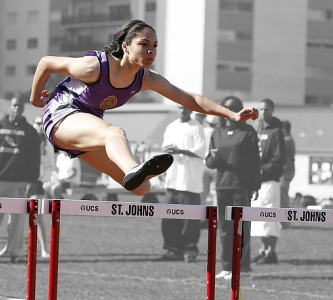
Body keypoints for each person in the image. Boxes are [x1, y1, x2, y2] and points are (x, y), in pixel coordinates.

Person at [29, 19, 258, 197]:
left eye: (155, 46)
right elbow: (46, 63)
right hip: (61, 115)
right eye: (144, 44)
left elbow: (190, 99)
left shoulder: (146, 78)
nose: (151, 51)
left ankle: (135, 173)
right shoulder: (94, 67)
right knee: (115, 134)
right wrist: (35, 99)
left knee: (142, 188)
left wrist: (231, 114)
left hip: (86, 127)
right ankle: (133, 168)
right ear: (126, 46)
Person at [205, 96, 261, 280]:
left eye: (233, 107)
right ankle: (226, 267)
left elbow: (255, 162)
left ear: (240, 110)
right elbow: (210, 161)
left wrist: (254, 186)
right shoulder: (216, 132)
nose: (230, 110)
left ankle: (243, 266)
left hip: (241, 187)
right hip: (222, 186)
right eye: (226, 107)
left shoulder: (248, 132)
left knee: (242, 227)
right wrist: (213, 160)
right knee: (225, 228)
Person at [159, 105, 206, 262]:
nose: (183, 110)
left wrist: (180, 150)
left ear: (191, 110)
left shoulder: (197, 127)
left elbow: (200, 152)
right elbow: (165, 148)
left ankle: (189, 249)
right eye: (180, 107)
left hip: (189, 181)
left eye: (186, 108)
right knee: (168, 215)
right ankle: (172, 249)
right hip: (173, 179)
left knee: (190, 218)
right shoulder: (171, 127)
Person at [0, 98, 41, 262]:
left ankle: (13, 252)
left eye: (20, 106)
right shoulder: (0, 127)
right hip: (0, 180)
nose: (17, 109)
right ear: (10, 107)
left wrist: (32, 180)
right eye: (15, 105)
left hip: (19, 182)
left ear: (23, 109)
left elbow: (34, 159)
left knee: (16, 220)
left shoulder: (31, 132)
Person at [251, 98, 285, 265]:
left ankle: (272, 252)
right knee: (259, 218)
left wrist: (263, 169)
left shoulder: (277, 132)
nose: (263, 112)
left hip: (270, 180)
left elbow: (279, 159)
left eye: (266, 109)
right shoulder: (257, 129)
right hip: (257, 182)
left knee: (270, 216)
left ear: (272, 110)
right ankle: (263, 250)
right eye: (261, 109)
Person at [32, 115, 55, 258]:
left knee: (38, 216)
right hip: (21, 181)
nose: (40, 126)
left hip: (37, 183)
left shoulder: (48, 144)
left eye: (42, 123)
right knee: (12, 215)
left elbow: (50, 166)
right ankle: (10, 246)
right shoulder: (26, 139)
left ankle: (44, 249)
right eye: (38, 123)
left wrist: (42, 179)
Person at [280, 120, 296, 228]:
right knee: (282, 193)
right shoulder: (289, 140)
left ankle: (285, 221)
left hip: (286, 171)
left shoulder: (287, 140)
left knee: (283, 193)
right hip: (287, 171)